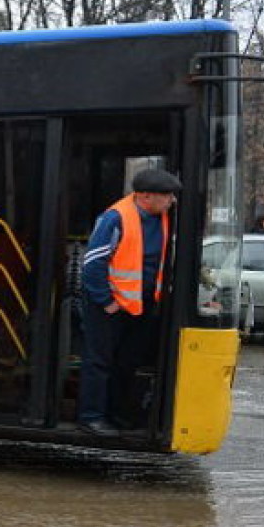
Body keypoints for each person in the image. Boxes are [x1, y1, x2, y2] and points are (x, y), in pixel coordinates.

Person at [78, 167, 179, 437]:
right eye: (166, 195)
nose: (172, 200)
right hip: (110, 306)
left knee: (127, 362)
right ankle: (91, 417)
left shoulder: (163, 217)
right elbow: (92, 264)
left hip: (141, 304)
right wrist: (106, 301)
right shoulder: (115, 218)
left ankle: (116, 414)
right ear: (146, 197)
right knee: (99, 361)